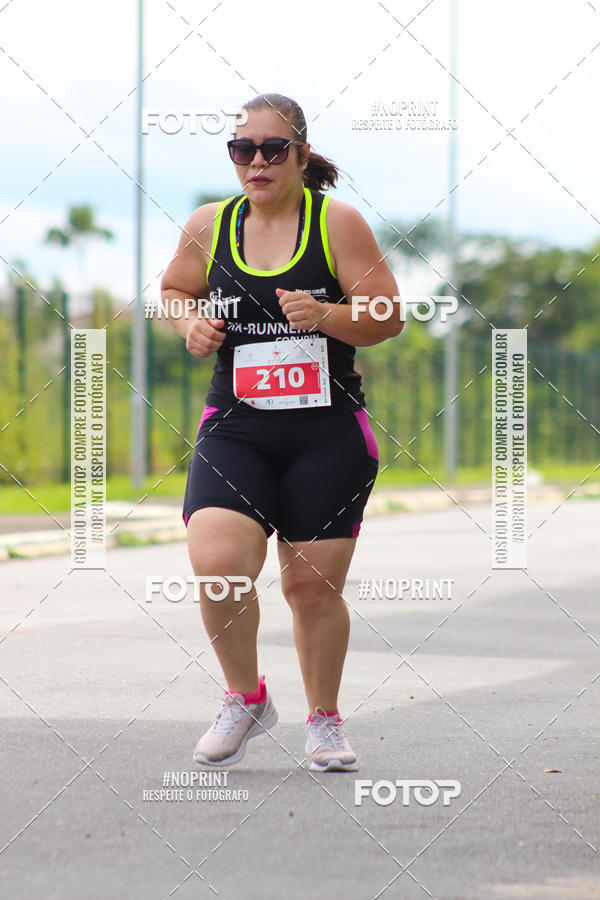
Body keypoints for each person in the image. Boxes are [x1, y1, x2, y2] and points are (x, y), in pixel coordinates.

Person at [160, 92, 402, 772]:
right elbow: (174, 290)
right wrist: (189, 325)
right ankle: (245, 697)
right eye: (243, 149)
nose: (257, 161)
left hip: (326, 434)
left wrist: (325, 316)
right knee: (218, 570)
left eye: (272, 149)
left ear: (299, 154)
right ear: (233, 157)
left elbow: (387, 317)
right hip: (237, 430)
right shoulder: (209, 225)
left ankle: (323, 720)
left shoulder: (338, 224)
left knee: (309, 591)